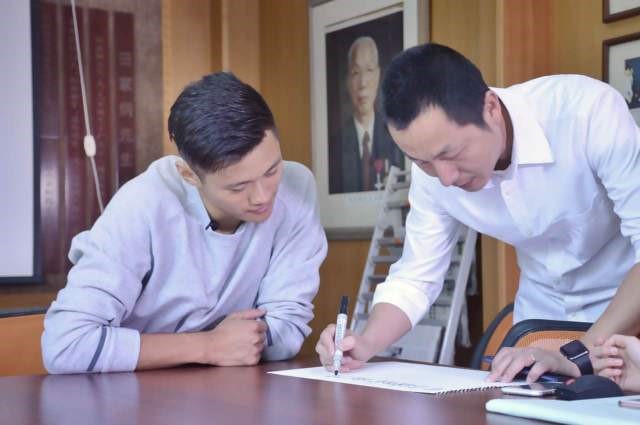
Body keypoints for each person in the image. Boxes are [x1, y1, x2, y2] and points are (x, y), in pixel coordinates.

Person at [316, 43, 640, 381]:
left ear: (490, 108)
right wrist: (364, 343)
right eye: (422, 162)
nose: (445, 177)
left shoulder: (586, 113)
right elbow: (415, 276)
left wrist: (577, 354)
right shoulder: (433, 173)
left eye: (451, 153)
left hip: (627, 319)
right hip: (540, 329)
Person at [42, 72, 328, 374]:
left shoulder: (297, 187)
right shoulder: (144, 203)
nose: (263, 196)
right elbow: (66, 345)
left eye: (271, 171)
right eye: (238, 187)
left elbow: (286, 331)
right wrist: (208, 346)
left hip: (229, 385)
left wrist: (236, 343)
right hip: (132, 389)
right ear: (189, 175)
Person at [331, 36, 403, 194]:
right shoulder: (334, 146)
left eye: (369, 70)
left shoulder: (395, 139)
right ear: (347, 81)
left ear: (378, 76)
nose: (363, 83)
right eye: (355, 72)